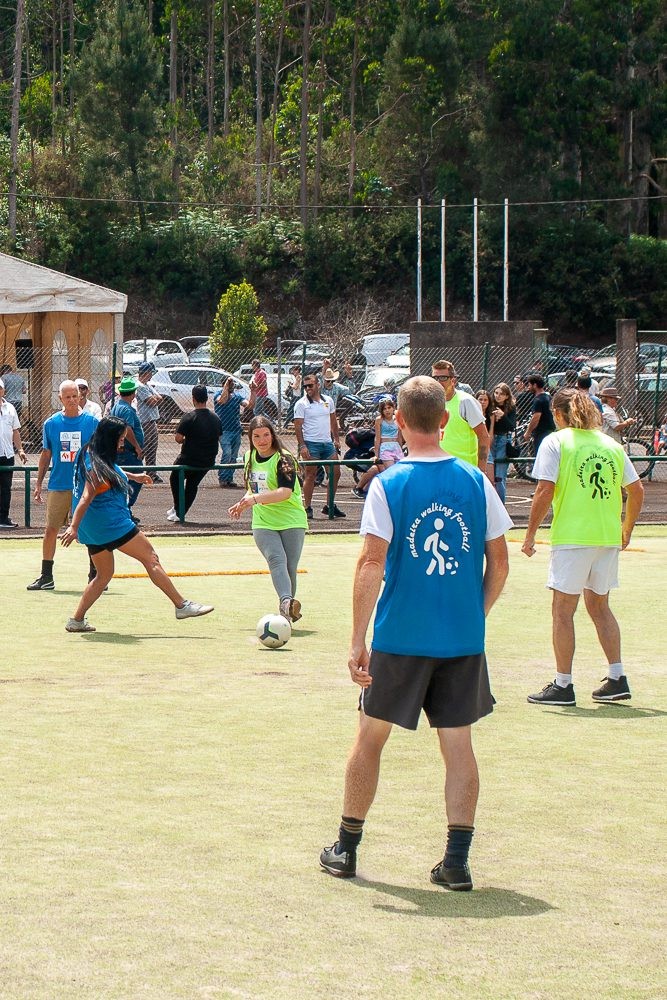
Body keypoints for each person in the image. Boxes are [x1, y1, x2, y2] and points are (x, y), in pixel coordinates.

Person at [319, 376, 512, 889]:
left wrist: (357, 640)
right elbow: (500, 560)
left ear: (398, 422)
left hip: (400, 638)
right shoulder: (477, 481)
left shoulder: (389, 483)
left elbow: (370, 563)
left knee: (369, 739)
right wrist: (477, 612)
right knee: (458, 747)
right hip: (461, 641)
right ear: (445, 420)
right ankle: (456, 862)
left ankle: (347, 848)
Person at [522, 388, 644, 706]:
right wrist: (626, 528)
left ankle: (563, 685)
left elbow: (544, 490)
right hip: (606, 537)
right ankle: (617, 678)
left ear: (559, 415)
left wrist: (530, 534)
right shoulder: (610, 444)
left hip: (573, 537)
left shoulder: (556, 441)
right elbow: (636, 489)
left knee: (563, 612)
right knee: (600, 608)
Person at [61, 417, 213, 632]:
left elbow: (110, 471)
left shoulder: (90, 451)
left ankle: (76, 620)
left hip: (93, 528)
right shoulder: (96, 467)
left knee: (103, 575)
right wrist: (72, 526)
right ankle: (182, 605)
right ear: (110, 438)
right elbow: (86, 496)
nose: (122, 443)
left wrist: (134, 476)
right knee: (150, 558)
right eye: (120, 439)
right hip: (111, 524)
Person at [228, 416, 307, 622]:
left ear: (272, 435)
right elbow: (252, 489)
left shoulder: (284, 459)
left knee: (290, 567)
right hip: (264, 522)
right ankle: (287, 602)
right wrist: (244, 502)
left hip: (291, 520)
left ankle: (286, 615)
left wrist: (253, 499)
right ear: (250, 438)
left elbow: (285, 492)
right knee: (276, 559)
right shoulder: (248, 457)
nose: (262, 440)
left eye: (266, 435)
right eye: (256, 436)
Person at [27, 380, 98, 591]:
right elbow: (46, 454)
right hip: (59, 484)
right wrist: (39, 483)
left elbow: (98, 454)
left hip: (85, 486)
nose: (72, 400)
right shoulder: (51, 424)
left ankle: (95, 575)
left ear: (80, 396)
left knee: (90, 530)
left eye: (75, 396)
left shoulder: (92, 422)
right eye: (67, 397)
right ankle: (46, 576)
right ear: (60, 399)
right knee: (50, 529)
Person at [167, 384, 222, 522]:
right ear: (206, 397)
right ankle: (179, 511)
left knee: (175, 478)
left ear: (193, 398)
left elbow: (178, 439)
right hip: (208, 460)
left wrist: (189, 439)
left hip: (189, 458)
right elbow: (219, 437)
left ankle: (179, 510)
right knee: (192, 484)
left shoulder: (188, 417)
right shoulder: (215, 418)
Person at [293, 373, 345, 520]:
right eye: (305, 386)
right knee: (310, 475)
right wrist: (302, 446)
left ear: (318, 385)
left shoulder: (328, 401)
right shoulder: (301, 404)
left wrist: (336, 439)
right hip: (311, 443)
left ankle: (329, 505)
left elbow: (333, 421)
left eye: (310, 385)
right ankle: (307, 507)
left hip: (327, 443)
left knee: (335, 473)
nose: (308, 388)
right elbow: (297, 427)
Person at [431, 359, 490, 471]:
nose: (438, 382)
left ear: (453, 380)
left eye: (443, 378)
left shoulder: (466, 402)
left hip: (464, 471)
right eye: (435, 378)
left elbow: (484, 437)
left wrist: (480, 471)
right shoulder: (432, 403)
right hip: (438, 470)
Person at [353, 398, 405, 498]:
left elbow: (399, 436)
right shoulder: (379, 420)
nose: (387, 410)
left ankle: (372, 489)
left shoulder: (397, 419)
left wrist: (400, 448)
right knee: (391, 471)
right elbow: (377, 438)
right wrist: (377, 454)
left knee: (400, 470)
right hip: (385, 447)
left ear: (393, 408)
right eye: (384, 409)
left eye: (389, 408)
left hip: (396, 447)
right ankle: (391, 494)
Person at [110, 376, 145, 516]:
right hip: (128, 452)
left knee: (123, 479)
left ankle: (123, 509)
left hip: (121, 451)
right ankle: (125, 509)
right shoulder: (126, 410)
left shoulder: (117, 406)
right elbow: (128, 429)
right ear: (133, 392)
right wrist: (137, 446)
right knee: (136, 479)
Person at [0, 376, 27, 528]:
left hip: (7, 454)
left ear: (4, 390)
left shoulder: (10, 408)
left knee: (6, 488)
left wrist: (20, 450)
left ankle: (3, 518)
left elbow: (15, 431)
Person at [213, 375, 246, 489]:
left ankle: (229, 478)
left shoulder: (237, 396)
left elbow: (249, 405)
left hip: (236, 430)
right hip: (224, 430)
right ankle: (222, 478)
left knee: (233, 456)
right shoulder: (218, 394)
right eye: (229, 384)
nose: (232, 386)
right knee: (227, 453)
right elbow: (221, 401)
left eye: (232, 384)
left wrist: (254, 392)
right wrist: (226, 386)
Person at [488, 383, 517, 503]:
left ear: (507, 396)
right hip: (490, 438)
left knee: (500, 476)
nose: (498, 396)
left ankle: (500, 505)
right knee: (488, 473)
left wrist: (503, 416)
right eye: (496, 393)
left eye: (502, 394)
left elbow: (511, 426)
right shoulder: (490, 406)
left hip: (503, 440)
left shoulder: (510, 408)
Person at [135, 362, 163, 482]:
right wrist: (155, 398)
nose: (151, 375)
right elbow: (151, 401)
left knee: (152, 448)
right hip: (144, 421)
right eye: (151, 373)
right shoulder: (140, 385)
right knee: (144, 448)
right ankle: (138, 473)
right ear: (146, 373)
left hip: (152, 420)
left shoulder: (147, 385)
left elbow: (160, 398)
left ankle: (152, 473)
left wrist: (155, 398)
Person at [522, 373, 556, 455]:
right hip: (550, 431)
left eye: (529, 385)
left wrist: (528, 432)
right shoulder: (548, 397)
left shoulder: (538, 400)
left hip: (541, 434)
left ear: (535, 385)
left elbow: (536, 417)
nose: (528, 387)